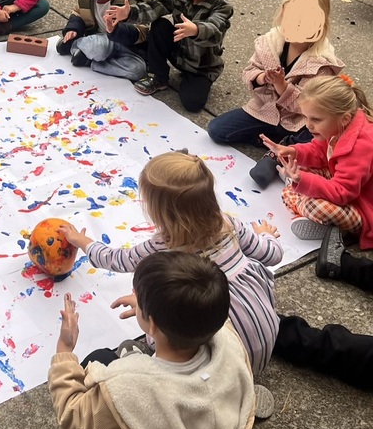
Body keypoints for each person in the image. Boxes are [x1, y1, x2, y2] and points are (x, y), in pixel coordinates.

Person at [48, 252, 255, 429]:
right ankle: (144, 354)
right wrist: (153, 311)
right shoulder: (229, 344)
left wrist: (64, 351)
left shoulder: (130, 386)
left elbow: (72, 416)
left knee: (99, 360)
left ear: (152, 323)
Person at [59, 151, 283, 377]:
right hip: (265, 340)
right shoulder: (227, 223)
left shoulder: (164, 245)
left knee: (164, 316)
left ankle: (143, 356)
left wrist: (82, 241)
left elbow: (116, 259)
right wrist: (267, 235)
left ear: (159, 212)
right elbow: (272, 255)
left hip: (217, 368)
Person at [208, 0, 343, 188]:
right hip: (265, 111)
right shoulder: (270, 43)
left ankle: (276, 154)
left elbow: (310, 106)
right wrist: (261, 78)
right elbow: (248, 73)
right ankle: (276, 142)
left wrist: (282, 86)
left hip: (300, 121)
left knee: (319, 139)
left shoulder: (322, 63)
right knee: (217, 130)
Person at [263, 74, 373, 266]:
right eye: (305, 116)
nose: (308, 124)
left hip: (364, 208)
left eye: (315, 119)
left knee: (316, 206)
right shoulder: (341, 126)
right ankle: (297, 191)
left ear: (344, 118)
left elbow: (342, 193)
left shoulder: (361, 146)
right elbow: (319, 151)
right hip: (345, 186)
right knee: (300, 167)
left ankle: (335, 228)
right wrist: (293, 151)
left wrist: (301, 181)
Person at [107, 0, 232, 112]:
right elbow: (154, 8)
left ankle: (193, 79)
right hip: (178, 52)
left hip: (201, 66)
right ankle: (157, 75)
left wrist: (195, 30)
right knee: (159, 25)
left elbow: (215, 31)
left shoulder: (222, 6)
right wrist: (129, 13)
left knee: (192, 104)